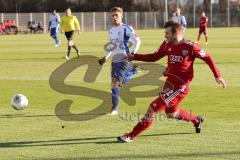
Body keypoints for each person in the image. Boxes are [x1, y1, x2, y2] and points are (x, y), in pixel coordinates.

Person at [117, 20, 226, 142]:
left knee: (153, 108)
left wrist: (217, 75)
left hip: (180, 87)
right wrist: (135, 56)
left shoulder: (191, 47)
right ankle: (196, 120)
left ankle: (130, 135)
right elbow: (154, 57)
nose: (165, 36)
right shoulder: (166, 44)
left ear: (176, 34)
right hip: (169, 84)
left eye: (167, 33)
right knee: (171, 114)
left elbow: (208, 58)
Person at [98, 7, 141, 115]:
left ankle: (114, 109)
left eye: (116, 15)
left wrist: (133, 53)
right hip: (114, 60)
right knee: (116, 84)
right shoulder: (111, 30)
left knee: (115, 82)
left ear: (121, 16)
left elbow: (138, 41)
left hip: (125, 58)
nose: (114, 17)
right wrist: (105, 57)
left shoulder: (127, 28)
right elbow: (111, 46)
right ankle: (133, 71)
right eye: (113, 15)